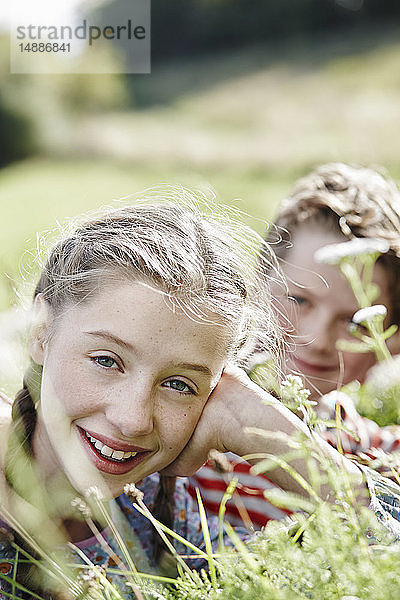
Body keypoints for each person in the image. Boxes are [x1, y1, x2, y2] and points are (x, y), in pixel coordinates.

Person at [0, 197, 369, 599]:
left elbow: (387, 559)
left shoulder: (160, 515)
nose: (134, 419)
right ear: (41, 332)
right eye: (107, 360)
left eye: (179, 385)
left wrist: (257, 423)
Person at [189, 163, 400, 528]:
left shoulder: (378, 456)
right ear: (256, 286)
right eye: (299, 300)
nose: (318, 340)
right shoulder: (179, 418)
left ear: (391, 337)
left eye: (355, 321)